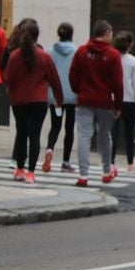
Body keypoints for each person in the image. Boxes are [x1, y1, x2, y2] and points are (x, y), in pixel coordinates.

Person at [4, 18, 62, 184]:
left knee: (21, 133)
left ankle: (20, 169)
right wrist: (59, 99)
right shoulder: (44, 56)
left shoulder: (15, 56)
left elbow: (8, 78)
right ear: (37, 36)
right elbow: (54, 79)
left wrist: (12, 87)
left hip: (19, 101)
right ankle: (31, 173)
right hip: (39, 101)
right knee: (34, 135)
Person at [68, 19, 122, 187]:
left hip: (84, 99)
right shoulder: (113, 55)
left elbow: (72, 75)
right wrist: (118, 104)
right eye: (111, 32)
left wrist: (79, 90)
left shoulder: (82, 51)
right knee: (105, 135)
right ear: (106, 33)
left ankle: (83, 175)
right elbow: (118, 83)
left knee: (84, 136)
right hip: (104, 101)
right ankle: (106, 170)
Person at [44, 22, 77, 173]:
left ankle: (49, 149)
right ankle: (65, 162)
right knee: (69, 128)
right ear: (71, 34)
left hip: (55, 95)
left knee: (55, 126)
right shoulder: (77, 52)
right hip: (72, 95)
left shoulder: (50, 52)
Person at [111, 31, 135, 172]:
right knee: (129, 133)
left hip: (113, 100)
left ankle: (110, 162)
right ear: (130, 45)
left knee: (113, 132)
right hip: (130, 101)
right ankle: (130, 162)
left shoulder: (112, 59)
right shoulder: (134, 61)